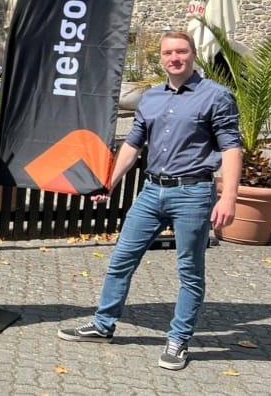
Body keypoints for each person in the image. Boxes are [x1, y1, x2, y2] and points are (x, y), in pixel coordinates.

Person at [58, 30, 241, 371]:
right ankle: (102, 324)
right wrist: (109, 183)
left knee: (189, 272)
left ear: (193, 54)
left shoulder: (216, 96)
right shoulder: (151, 97)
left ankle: (178, 340)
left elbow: (231, 147)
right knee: (121, 259)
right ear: (161, 57)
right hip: (150, 192)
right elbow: (133, 145)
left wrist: (228, 196)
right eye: (169, 52)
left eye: (181, 52)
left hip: (193, 193)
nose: (175, 58)